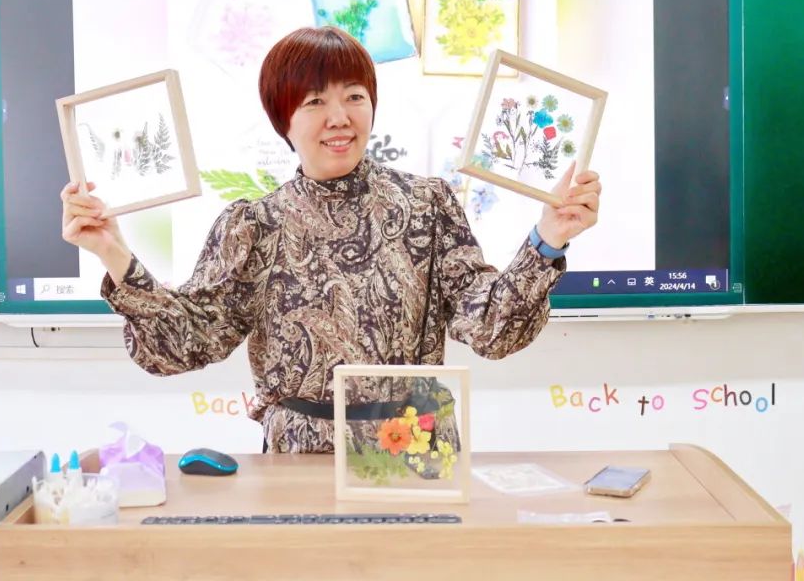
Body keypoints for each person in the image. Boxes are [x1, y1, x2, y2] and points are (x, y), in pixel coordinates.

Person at [60, 26, 601, 453]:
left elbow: (491, 330)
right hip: (298, 459)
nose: (339, 118)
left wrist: (548, 238)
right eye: (314, 101)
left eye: (354, 96)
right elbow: (184, 343)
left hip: (411, 454)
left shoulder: (426, 205)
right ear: (283, 120)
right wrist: (113, 251)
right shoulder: (255, 225)